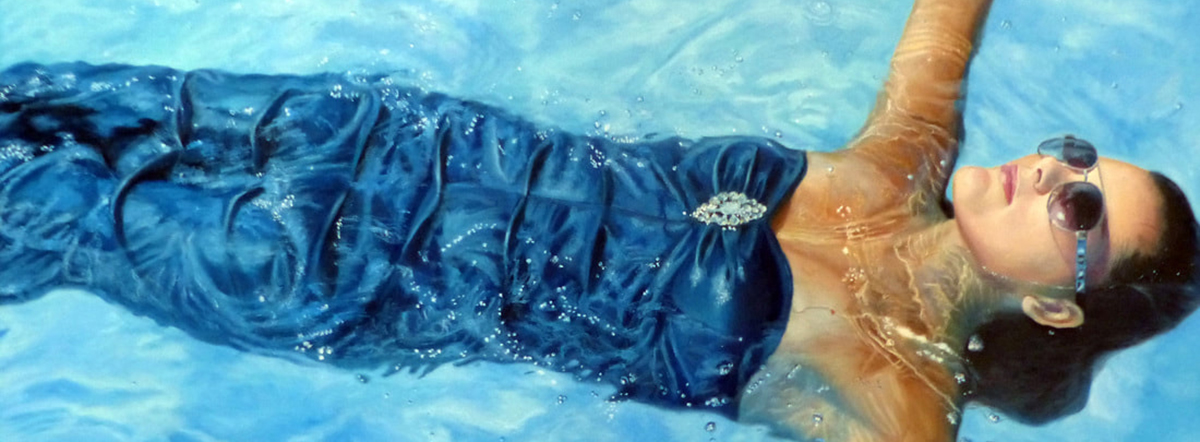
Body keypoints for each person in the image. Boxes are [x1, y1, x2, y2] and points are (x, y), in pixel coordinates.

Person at [0, 0, 1195, 441]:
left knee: (33, 204)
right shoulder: (901, 162)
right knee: (45, 96)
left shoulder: (895, 395)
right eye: (1075, 155)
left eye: (1082, 204)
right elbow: (948, 21)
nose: (1050, 170)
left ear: (1059, 303)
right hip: (366, 132)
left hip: (332, 273)